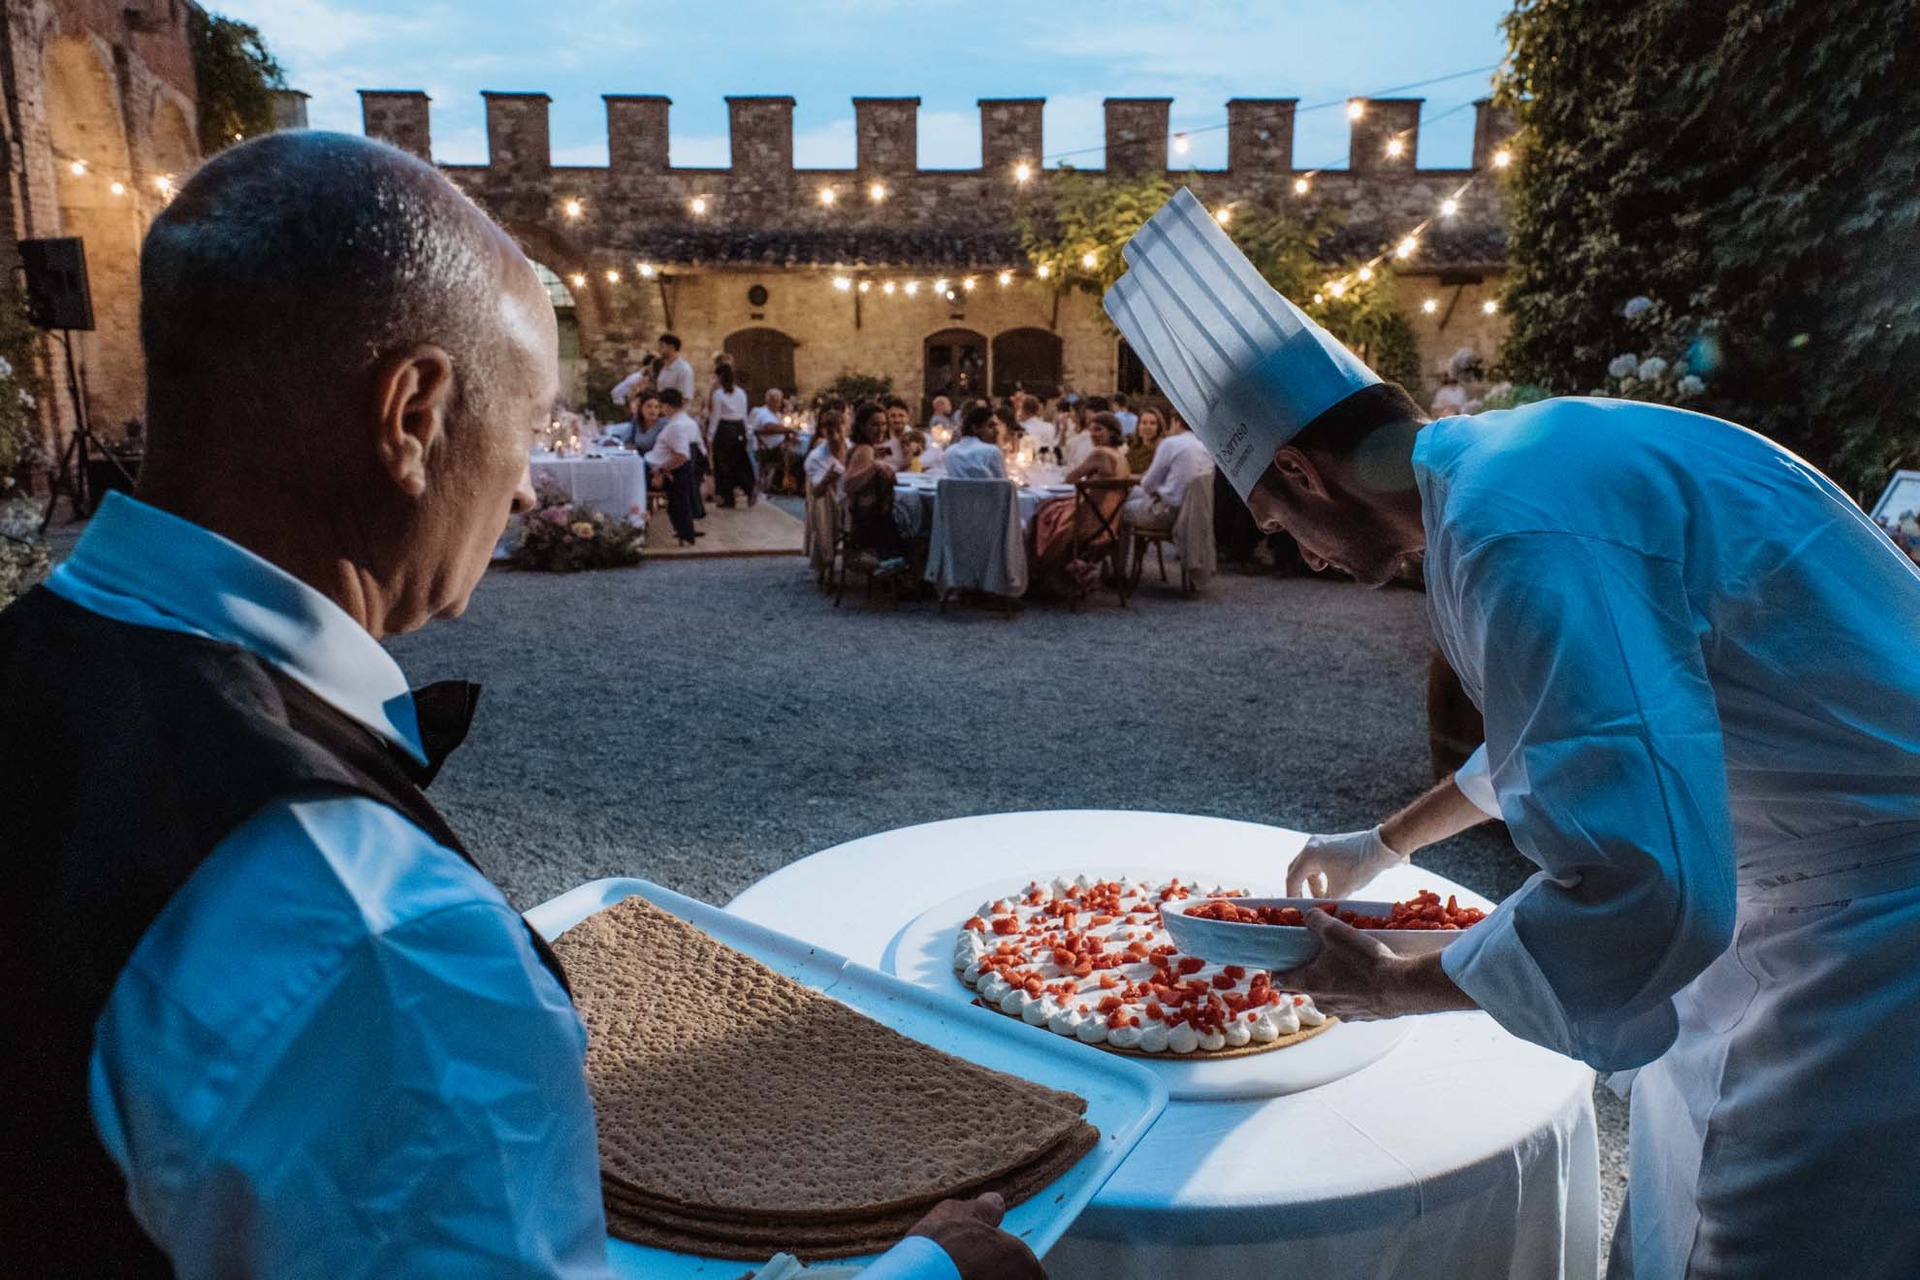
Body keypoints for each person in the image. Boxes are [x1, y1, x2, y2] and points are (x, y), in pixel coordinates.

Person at [0, 131, 1037, 1280]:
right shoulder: (380, 942)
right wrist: (933, 1270)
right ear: (413, 415)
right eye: (530, 422)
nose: (532, 481)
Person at [1107, 186, 1920, 1280]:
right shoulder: (1494, 472)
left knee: (1764, 1236)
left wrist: (1392, 984)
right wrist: (1385, 842)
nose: (1294, 548)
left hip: (1874, 928)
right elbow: (1581, 736)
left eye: (1278, 518)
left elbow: (1652, 889)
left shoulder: (1511, 525)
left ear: (1302, 470)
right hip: (1803, 890)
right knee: (1682, 1199)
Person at [1031, 413, 1129, 584]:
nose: (1092, 434)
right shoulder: (1121, 457)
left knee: (1042, 512)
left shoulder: (1100, 453)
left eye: (1098, 430)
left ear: (1112, 433)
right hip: (1110, 522)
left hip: (1089, 522)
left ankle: (1038, 572)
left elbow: (1071, 478)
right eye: (1091, 430)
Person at [1121, 409, 1212, 534]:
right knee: (1130, 496)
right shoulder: (1203, 447)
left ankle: (1121, 552)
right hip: (1191, 513)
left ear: (1176, 422)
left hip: (1168, 513)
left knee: (1119, 509)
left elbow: (1148, 484)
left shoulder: (1170, 444)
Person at [842, 405, 908, 558]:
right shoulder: (865, 450)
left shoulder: (868, 448)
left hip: (869, 519)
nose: (881, 429)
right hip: (870, 523)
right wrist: (875, 466)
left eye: (884, 424)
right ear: (862, 427)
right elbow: (848, 485)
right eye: (875, 424)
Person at [647, 387, 705, 544]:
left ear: (667, 406)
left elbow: (682, 455)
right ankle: (685, 531)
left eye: (660, 406)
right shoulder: (688, 422)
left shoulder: (677, 426)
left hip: (670, 471)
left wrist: (661, 471)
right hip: (684, 470)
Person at [705, 356, 756, 508]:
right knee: (739, 461)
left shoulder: (719, 394)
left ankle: (728, 497)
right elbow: (744, 414)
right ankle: (748, 487)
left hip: (724, 429)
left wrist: (710, 435)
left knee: (723, 464)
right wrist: (747, 432)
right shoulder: (741, 393)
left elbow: (716, 415)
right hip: (739, 427)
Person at [748, 387, 798, 494]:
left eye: (778, 402)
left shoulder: (776, 414)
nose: (777, 404)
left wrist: (788, 433)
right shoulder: (763, 413)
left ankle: (782, 482)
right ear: (768, 401)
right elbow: (768, 427)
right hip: (768, 451)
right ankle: (787, 484)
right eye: (774, 401)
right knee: (799, 456)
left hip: (777, 448)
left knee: (800, 451)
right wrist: (789, 430)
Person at [943, 405, 1008, 480]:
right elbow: (1004, 486)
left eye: (996, 426)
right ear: (975, 428)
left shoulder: (950, 453)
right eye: (990, 426)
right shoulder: (991, 451)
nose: (997, 431)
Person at [804, 408, 848, 497]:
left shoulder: (855, 447)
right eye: (831, 433)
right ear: (823, 432)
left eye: (839, 431)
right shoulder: (815, 458)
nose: (836, 437)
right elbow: (816, 493)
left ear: (846, 428)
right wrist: (826, 480)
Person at [654, 332, 695, 403]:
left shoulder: (684, 369)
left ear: (671, 348)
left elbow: (686, 397)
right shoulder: (664, 368)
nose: (658, 349)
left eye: (662, 346)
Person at [1125, 403, 1165, 475]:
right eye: (1144, 423)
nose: (1148, 427)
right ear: (1138, 426)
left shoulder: (1163, 450)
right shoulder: (1132, 450)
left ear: (1159, 427)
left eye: (1153, 423)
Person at [628, 387, 669, 456]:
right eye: (649, 406)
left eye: (656, 407)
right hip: (637, 458)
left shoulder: (664, 424)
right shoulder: (636, 421)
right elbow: (629, 441)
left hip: (656, 461)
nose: (653, 410)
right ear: (641, 408)